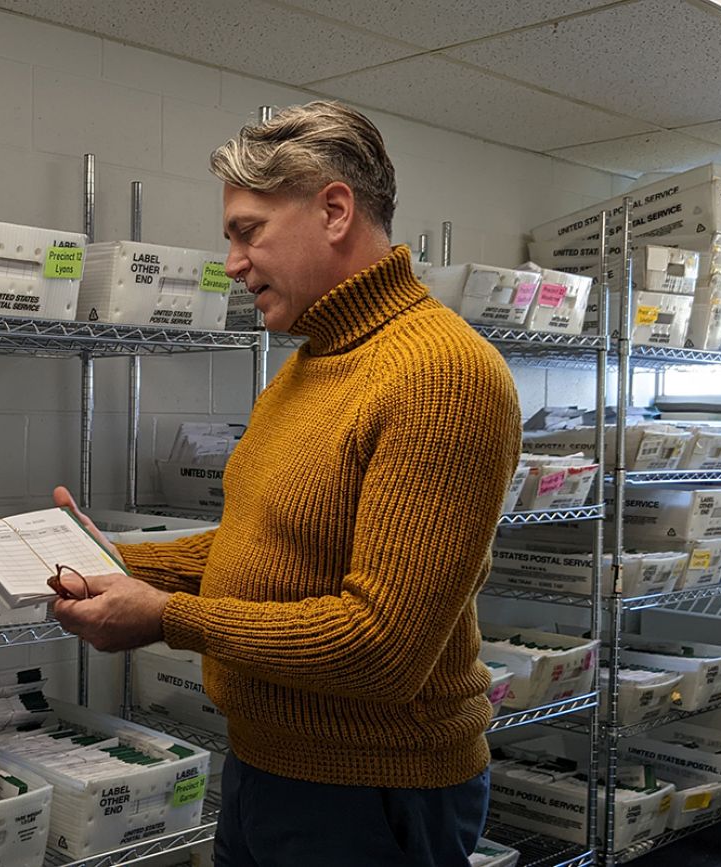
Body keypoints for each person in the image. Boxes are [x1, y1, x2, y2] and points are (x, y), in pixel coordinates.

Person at [51, 99, 522, 867]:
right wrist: (122, 564)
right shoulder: (310, 364)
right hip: (268, 767)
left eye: (247, 231)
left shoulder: (442, 374)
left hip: (371, 794)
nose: (234, 261)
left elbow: (382, 647)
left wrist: (167, 615)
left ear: (334, 210)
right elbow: (265, 542)